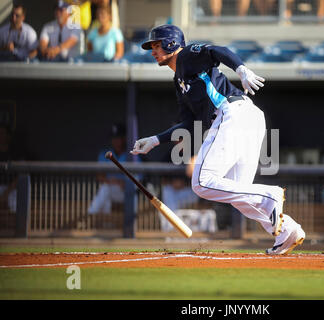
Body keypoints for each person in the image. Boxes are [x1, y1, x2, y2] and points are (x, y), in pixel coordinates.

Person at [130, 24, 306, 255]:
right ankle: (288, 230)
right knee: (239, 196)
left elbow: (218, 51)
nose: (153, 51)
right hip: (245, 118)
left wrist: (241, 69)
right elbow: (189, 123)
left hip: (232, 114)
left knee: (201, 181)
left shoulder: (185, 56)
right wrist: (155, 140)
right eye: (151, 46)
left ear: (171, 43)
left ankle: (270, 194)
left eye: (156, 45)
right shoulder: (179, 81)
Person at [88, 123, 129, 215]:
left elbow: (139, 178)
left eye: (118, 138)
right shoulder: (105, 154)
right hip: (111, 188)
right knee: (105, 191)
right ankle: (106, 225)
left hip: (127, 193)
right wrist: (114, 181)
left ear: (124, 138)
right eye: (114, 138)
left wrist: (124, 182)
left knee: (105, 189)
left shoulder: (132, 155)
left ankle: (89, 216)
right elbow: (99, 176)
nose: (116, 141)